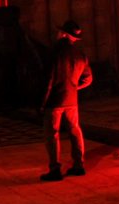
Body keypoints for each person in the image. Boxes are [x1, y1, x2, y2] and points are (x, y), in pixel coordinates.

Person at [39, 19, 93, 182]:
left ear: (63, 34)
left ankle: (55, 169)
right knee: (75, 130)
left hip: (54, 100)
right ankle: (78, 165)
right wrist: (74, 87)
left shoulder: (54, 52)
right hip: (72, 100)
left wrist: (42, 101)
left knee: (52, 133)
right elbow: (88, 79)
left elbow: (49, 79)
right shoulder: (80, 54)